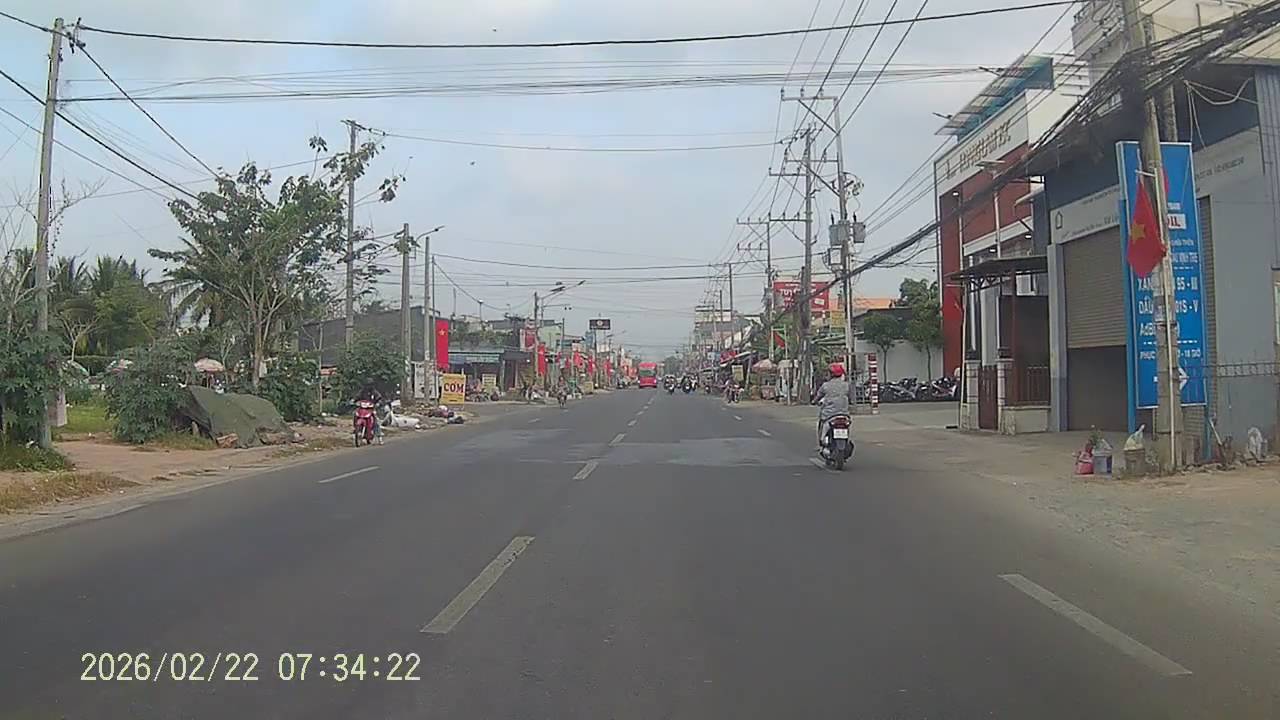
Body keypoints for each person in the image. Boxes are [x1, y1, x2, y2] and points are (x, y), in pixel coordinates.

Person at [815, 362, 855, 448]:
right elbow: (852, 398)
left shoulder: (825, 386)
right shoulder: (846, 385)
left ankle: (822, 441)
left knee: (822, 423)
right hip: (844, 414)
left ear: (831, 374)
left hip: (828, 415)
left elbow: (818, 396)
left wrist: (814, 401)